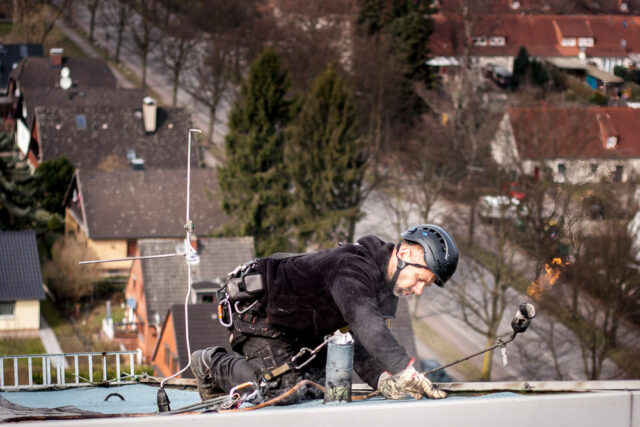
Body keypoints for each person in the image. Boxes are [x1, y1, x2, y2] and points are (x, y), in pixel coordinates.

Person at [191, 224, 458, 402]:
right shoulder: (353, 268)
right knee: (285, 391)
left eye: (427, 284)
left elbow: (357, 337)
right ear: (404, 253)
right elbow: (366, 323)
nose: (420, 290)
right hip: (259, 311)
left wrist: (381, 377)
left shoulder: (385, 287)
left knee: (322, 386)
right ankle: (210, 363)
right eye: (421, 278)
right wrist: (403, 369)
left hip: (298, 326)